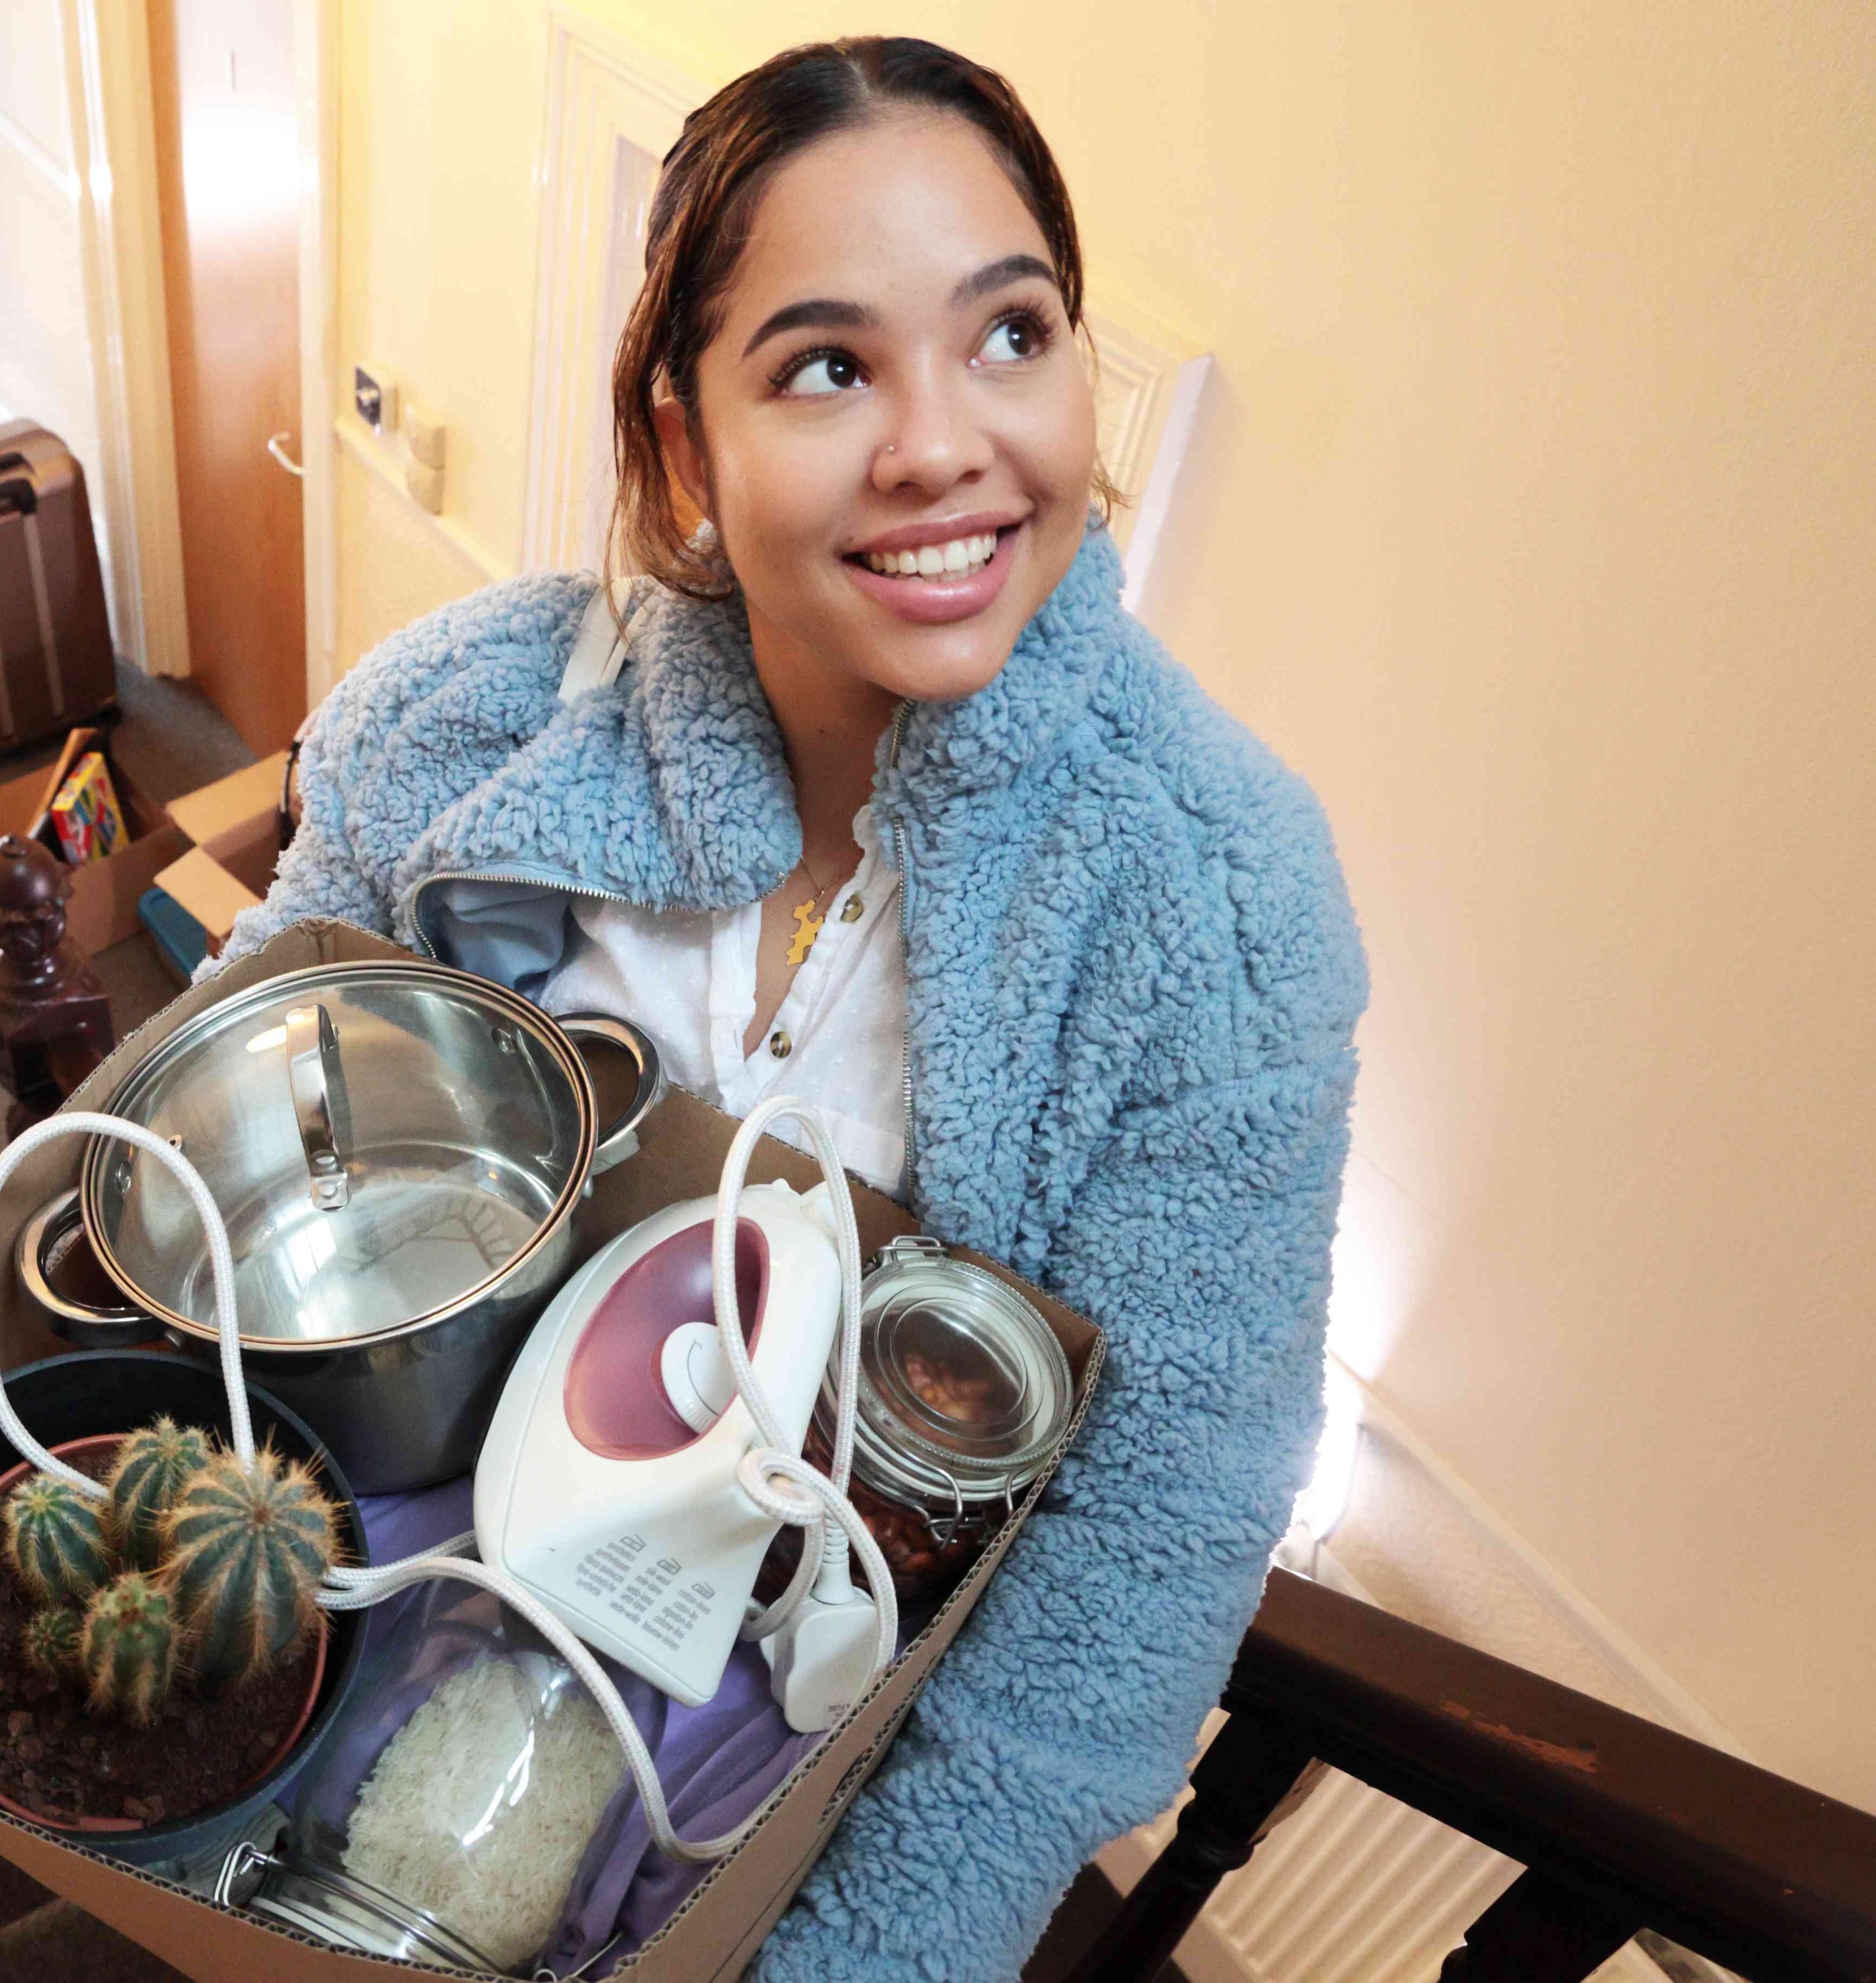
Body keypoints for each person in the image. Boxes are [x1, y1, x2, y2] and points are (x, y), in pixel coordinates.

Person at [225, 38, 1368, 1980]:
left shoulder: (1214, 914)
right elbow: (256, 1132)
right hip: (364, 1618)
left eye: (1008, 335)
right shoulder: (465, 732)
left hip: (780, 1782)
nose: (941, 440)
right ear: (683, 446)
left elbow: (1110, 1611)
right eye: (827, 365)